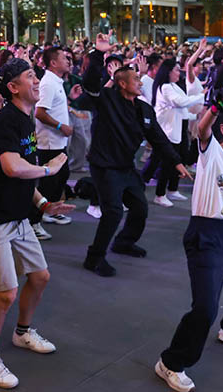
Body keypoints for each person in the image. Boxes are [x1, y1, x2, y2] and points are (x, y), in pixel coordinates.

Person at [0, 58, 74, 389]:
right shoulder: (7, 121)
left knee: (40, 277)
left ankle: (22, 333)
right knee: (5, 294)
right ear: (13, 87)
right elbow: (12, 167)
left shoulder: (25, 119)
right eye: (30, 76)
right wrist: (49, 170)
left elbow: (20, 173)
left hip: (17, 216)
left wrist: (42, 203)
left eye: (36, 75)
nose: (37, 81)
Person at [155, 76, 223, 392]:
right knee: (205, 308)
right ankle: (170, 363)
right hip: (204, 236)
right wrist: (220, 102)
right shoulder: (211, 150)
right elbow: (202, 129)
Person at [81, 34, 190, 277]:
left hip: (126, 167)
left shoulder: (143, 108)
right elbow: (90, 83)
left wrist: (176, 162)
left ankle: (124, 242)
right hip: (105, 166)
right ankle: (94, 258)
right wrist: (98, 53)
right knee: (113, 212)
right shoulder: (107, 100)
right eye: (135, 79)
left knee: (140, 207)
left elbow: (158, 138)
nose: (140, 82)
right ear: (121, 84)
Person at [32, 46, 81, 239]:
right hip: (49, 142)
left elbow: (53, 106)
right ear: (53, 63)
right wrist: (61, 126)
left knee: (61, 177)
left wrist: (69, 98)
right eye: (63, 58)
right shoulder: (48, 83)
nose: (68, 61)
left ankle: (50, 211)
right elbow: (40, 112)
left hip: (58, 141)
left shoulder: (56, 81)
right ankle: (34, 221)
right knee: (48, 183)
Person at [150, 58, 204, 206]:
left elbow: (183, 106)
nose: (178, 73)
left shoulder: (173, 86)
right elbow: (181, 102)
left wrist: (195, 115)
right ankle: (160, 194)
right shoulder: (165, 87)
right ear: (168, 72)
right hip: (168, 131)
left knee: (180, 159)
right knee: (167, 163)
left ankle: (172, 189)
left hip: (179, 128)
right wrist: (201, 96)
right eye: (175, 70)